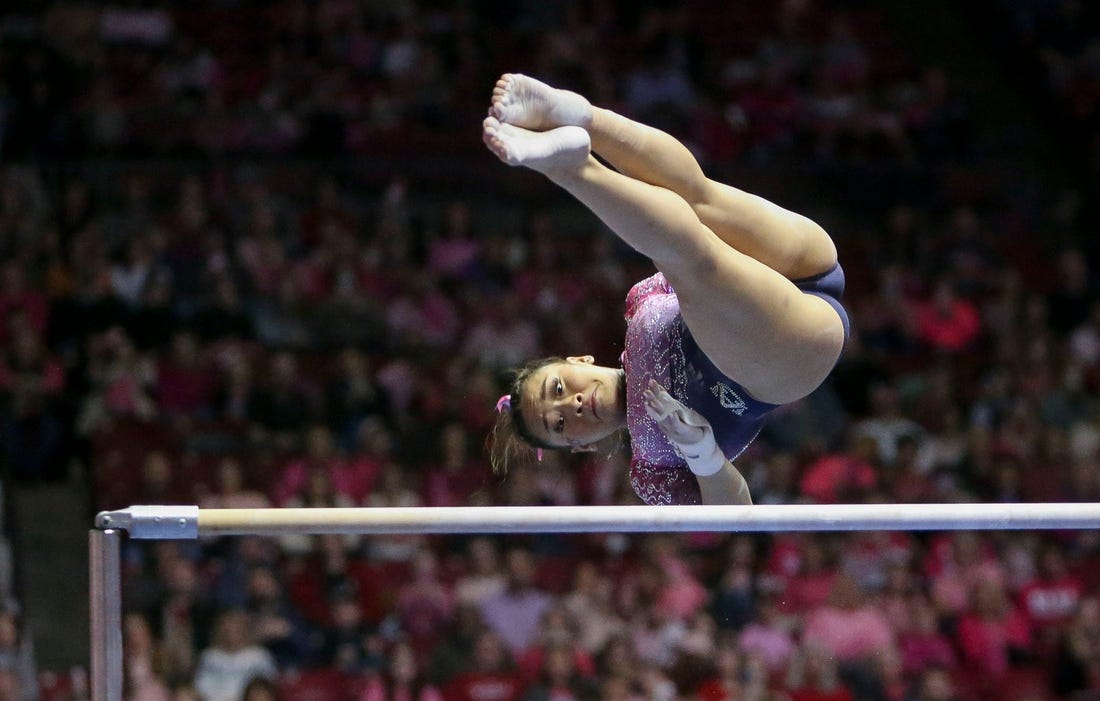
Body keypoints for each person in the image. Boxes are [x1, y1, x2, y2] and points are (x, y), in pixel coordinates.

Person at [484, 73, 849, 505]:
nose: (574, 406)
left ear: (577, 360)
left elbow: (682, 228)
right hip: (792, 353)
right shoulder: (651, 471)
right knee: (692, 258)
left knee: (696, 200)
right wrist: (701, 452)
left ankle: (573, 113)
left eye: (560, 389)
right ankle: (573, 169)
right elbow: (737, 514)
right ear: (580, 448)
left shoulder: (639, 301)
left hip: (805, 264)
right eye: (560, 427)